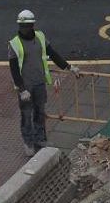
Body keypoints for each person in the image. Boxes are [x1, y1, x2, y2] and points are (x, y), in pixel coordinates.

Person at [7, 9, 72, 156]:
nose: (25, 28)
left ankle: (40, 140)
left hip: (39, 84)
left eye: (28, 25)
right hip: (26, 88)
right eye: (22, 26)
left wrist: (69, 67)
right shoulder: (14, 44)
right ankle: (28, 143)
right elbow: (14, 69)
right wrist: (22, 89)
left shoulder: (40, 37)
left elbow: (53, 54)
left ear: (33, 25)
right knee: (26, 115)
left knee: (40, 113)